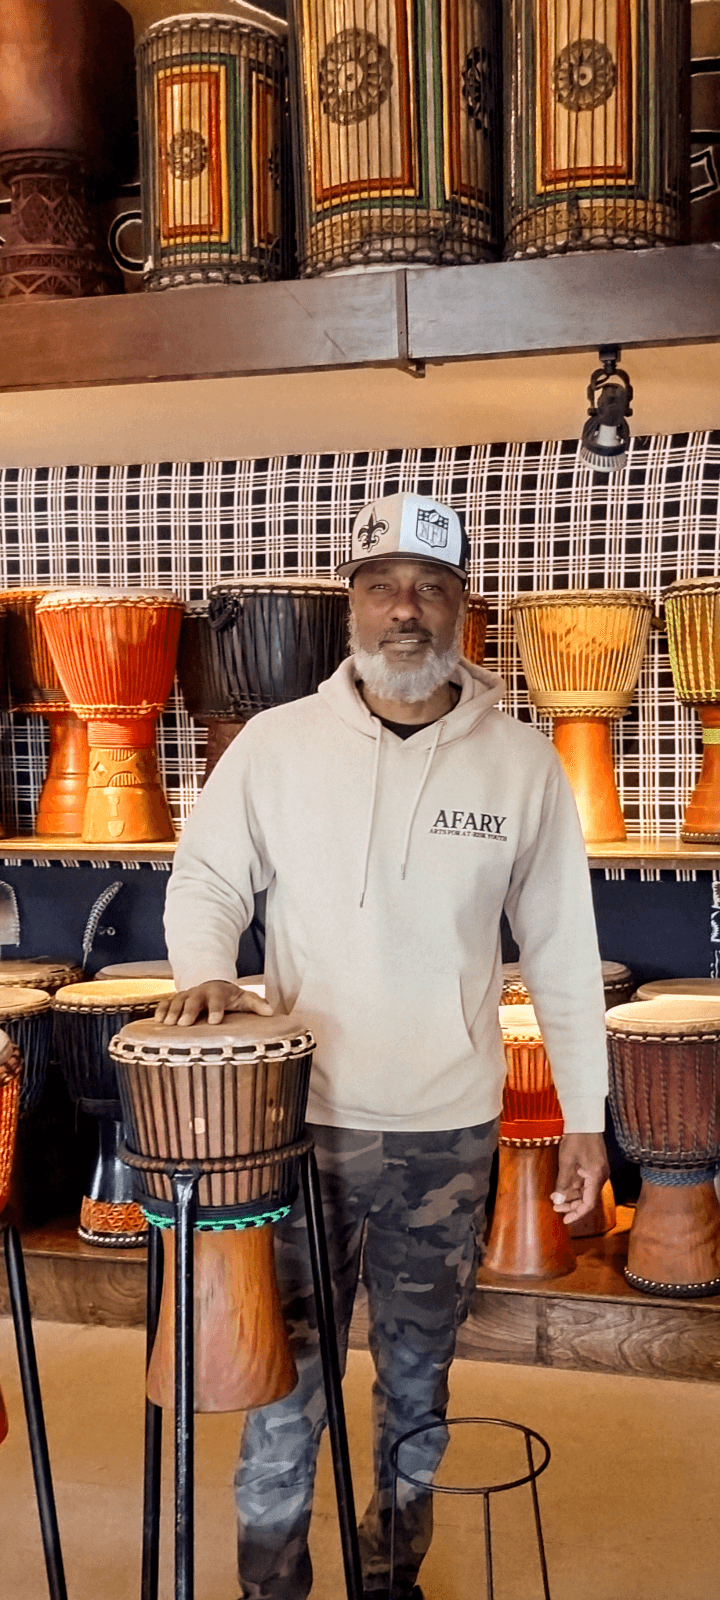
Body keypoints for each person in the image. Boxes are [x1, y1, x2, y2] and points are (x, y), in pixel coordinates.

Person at [158, 491, 610, 1600]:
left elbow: (560, 946)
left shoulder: (520, 763)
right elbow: (208, 879)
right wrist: (206, 971)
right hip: (292, 1126)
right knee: (284, 1385)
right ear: (352, 605)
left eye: (431, 588)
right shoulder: (274, 744)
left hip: (445, 1137)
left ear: (464, 608)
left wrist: (589, 1117)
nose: (404, 609)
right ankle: (273, 1583)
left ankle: (389, 1572)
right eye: (381, 586)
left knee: (419, 1384)